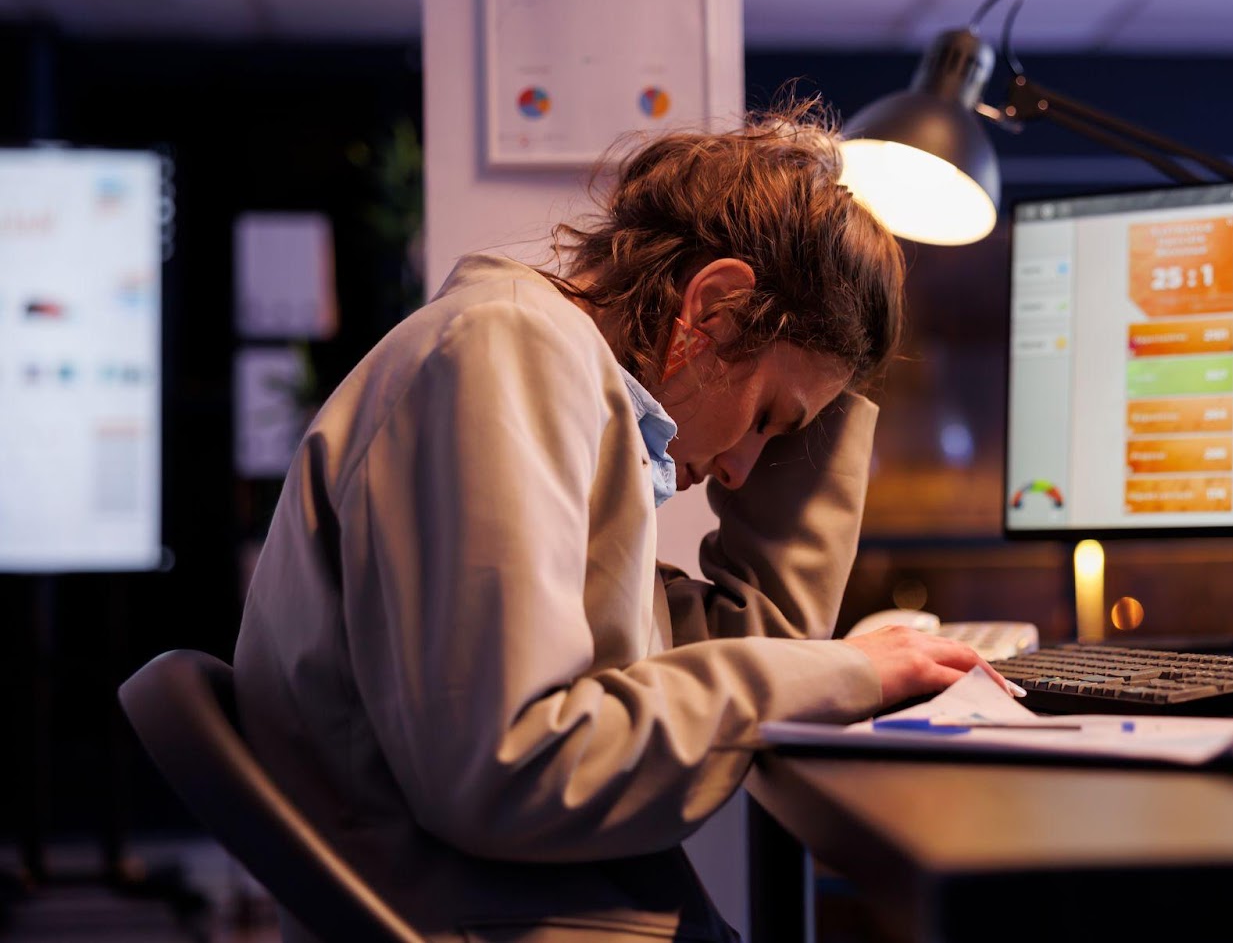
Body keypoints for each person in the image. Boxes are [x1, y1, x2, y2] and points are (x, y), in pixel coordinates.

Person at [233, 96, 1002, 943]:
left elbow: (747, 643)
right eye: (769, 420)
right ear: (712, 310)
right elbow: (516, 770)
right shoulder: (504, 354)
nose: (743, 472)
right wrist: (853, 674)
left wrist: (816, 408)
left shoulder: (560, 377)